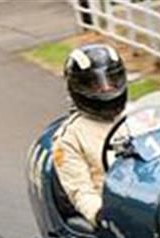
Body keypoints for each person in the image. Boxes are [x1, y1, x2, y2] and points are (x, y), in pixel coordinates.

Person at [52, 43, 127, 226]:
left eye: (111, 80)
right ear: (77, 87)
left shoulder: (143, 115)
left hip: (151, 194)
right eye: (96, 84)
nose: (106, 89)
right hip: (116, 214)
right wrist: (101, 215)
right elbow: (80, 190)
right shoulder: (69, 138)